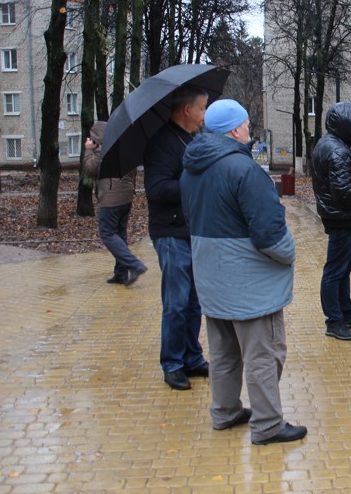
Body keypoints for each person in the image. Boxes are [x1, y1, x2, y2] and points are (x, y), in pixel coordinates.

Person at [181, 99, 307, 446]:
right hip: (248, 283)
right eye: (247, 124)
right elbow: (269, 232)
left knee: (222, 351)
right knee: (265, 353)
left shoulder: (192, 167)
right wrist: (289, 254)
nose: (250, 130)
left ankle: (225, 411)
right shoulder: (244, 170)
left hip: (211, 276)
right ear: (235, 129)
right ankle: (267, 425)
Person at [144, 88, 210, 391]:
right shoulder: (161, 143)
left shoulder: (190, 139)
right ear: (187, 109)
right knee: (177, 301)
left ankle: (192, 357)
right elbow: (157, 190)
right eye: (202, 108)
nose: (205, 115)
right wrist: (193, 181)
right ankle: (172, 363)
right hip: (169, 234)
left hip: (190, 230)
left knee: (194, 301)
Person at [311, 101, 351, 341]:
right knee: (335, 270)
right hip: (342, 219)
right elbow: (343, 190)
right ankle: (334, 320)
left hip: (341, 218)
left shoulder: (331, 144)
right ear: (347, 124)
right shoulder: (337, 150)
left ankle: (346, 312)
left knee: (343, 268)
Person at [82, 121, 148, 287]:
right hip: (126, 195)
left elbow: (90, 169)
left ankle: (134, 265)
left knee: (107, 233)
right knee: (119, 233)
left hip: (112, 197)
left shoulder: (103, 151)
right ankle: (120, 273)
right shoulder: (122, 147)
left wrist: (89, 150)